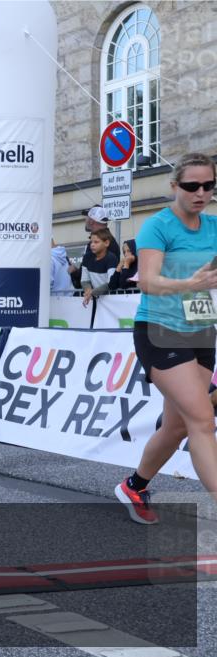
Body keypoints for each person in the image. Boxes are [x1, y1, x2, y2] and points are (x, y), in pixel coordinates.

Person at [118, 152, 217, 524]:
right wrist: (189, 284)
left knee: (177, 425)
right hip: (159, 330)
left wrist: (204, 285)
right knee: (203, 419)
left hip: (202, 326)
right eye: (192, 186)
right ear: (175, 186)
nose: (201, 192)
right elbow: (146, 281)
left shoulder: (213, 227)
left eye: (209, 185)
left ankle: (134, 485)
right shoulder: (157, 226)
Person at [81, 228, 118, 306]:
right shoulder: (87, 257)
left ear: (106, 243)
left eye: (96, 242)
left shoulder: (111, 258)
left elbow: (110, 283)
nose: (92, 245)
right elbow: (84, 280)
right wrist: (88, 290)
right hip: (95, 298)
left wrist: (92, 292)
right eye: (91, 242)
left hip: (111, 300)